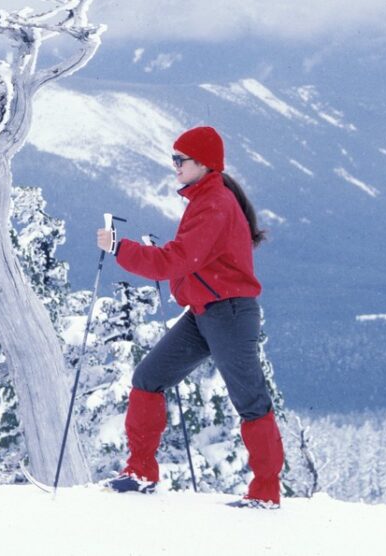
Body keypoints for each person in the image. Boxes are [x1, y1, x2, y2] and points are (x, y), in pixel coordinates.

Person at [95, 125, 284, 508]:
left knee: (250, 400)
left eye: (180, 160)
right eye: (174, 159)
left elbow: (176, 261)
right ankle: (141, 471)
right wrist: (160, 254)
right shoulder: (207, 200)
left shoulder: (215, 204)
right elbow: (190, 257)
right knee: (148, 378)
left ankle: (266, 492)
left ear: (204, 163)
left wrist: (120, 248)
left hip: (229, 313)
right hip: (204, 312)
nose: (174, 166)